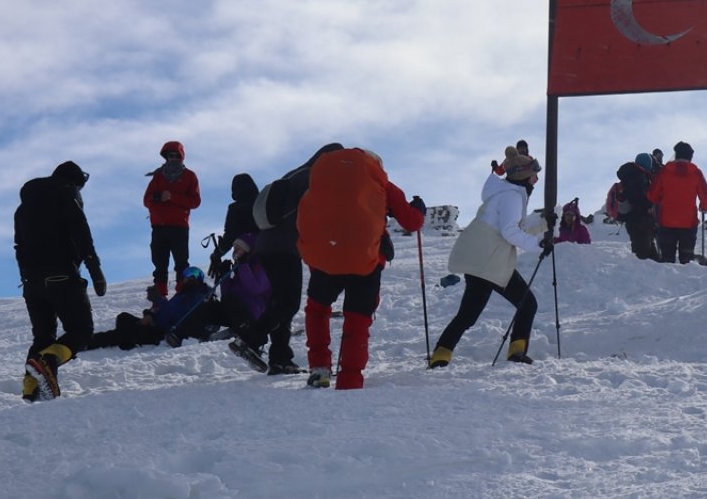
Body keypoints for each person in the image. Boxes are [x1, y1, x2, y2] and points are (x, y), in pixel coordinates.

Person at [296, 148, 425, 389]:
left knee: (317, 309)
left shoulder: (321, 184)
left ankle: (320, 368)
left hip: (326, 257)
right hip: (365, 260)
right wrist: (419, 208)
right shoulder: (382, 183)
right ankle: (350, 379)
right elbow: (412, 221)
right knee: (357, 318)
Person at [430, 146, 552, 368]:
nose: (536, 179)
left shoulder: (501, 193)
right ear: (524, 176)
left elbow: (514, 226)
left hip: (479, 260)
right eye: (534, 175)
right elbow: (509, 231)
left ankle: (441, 354)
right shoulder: (512, 197)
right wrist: (538, 246)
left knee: (468, 315)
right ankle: (516, 354)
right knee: (528, 304)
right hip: (491, 262)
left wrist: (543, 225)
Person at [233, 143, 344, 375]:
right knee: (288, 303)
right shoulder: (313, 179)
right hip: (285, 248)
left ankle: (280, 358)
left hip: (267, 246)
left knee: (279, 302)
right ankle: (250, 339)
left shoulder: (294, 175)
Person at [14, 161, 106, 402]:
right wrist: (96, 272)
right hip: (62, 275)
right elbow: (82, 234)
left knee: (43, 337)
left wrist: (26, 278)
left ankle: (31, 390)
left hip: (32, 282)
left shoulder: (23, 208)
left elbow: (19, 247)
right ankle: (49, 361)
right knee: (81, 331)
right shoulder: (66, 194)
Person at [87, 267, 222, 351]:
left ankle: (87, 343)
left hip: (165, 332)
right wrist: (150, 314)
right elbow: (167, 310)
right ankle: (128, 341)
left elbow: (176, 315)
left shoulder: (199, 296)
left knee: (124, 332)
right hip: (158, 324)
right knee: (123, 317)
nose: (190, 278)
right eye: (187, 275)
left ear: (200, 279)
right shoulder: (182, 295)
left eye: (195, 274)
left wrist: (158, 300)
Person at [143, 141, 201, 298]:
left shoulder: (189, 176)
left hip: (179, 227)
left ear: (181, 157)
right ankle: (160, 299)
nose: (173, 158)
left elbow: (195, 201)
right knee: (159, 264)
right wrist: (158, 197)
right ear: (166, 157)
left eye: (176, 156)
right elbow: (146, 200)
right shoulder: (158, 176)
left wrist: (172, 197)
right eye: (170, 155)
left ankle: (183, 296)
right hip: (159, 227)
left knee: (181, 263)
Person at [648, 141, 707, 264]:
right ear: (690, 157)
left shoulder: (664, 172)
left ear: (676, 155)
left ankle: (666, 280)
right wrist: (704, 207)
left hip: (666, 221)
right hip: (688, 223)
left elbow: (652, 195)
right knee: (686, 260)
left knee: (667, 259)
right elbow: (705, 195)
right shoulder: (696, 173)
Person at [209, 173, 259, 278]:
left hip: (244, 257)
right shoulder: (262, 202)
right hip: (267, 254)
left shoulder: (235, 208)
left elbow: (230, 236)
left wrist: (217, 254)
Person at [617, 153, 658, 260]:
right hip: (639, 219)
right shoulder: (638, 176)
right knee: (642, 254)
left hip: (634, 219)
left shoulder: (632, 174)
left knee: (644, 251)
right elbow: (638, 197)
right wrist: (648, 203)